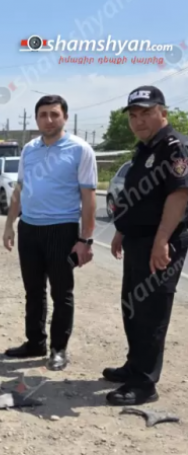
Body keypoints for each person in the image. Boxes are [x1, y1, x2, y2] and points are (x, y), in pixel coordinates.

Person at [105, 85, 188, 405]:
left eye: (146, 113)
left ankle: (144, 384)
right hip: (137, 240)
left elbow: (179, 195)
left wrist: (162, 240)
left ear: (162, 113)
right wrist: (121, 230)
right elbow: (137, 196)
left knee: (151, 312)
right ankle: (134, 365)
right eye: (133, 115)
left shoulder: (174, 147)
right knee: (133, 305)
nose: (138, 121)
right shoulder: (144, 148)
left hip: (160, 241)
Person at [2, 95, 97, 371]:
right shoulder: (29, 150)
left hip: (62, 230)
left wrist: (85, 239)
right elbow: (20, 188)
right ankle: (35, 342)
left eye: (55, 114)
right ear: (36, 119)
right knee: (33, 291)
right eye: (43, 114)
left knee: (61, 293)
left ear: (64, 117)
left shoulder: (80, 149)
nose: (49, 120)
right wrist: (9, 224)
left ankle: (58, 350)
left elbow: (89, 197)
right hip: (29, 229)